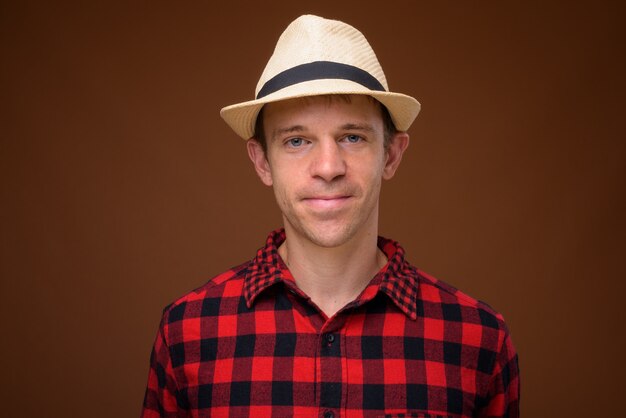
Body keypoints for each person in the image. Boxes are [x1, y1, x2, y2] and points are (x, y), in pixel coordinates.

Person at [141, 14, 520, 418]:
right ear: (262, 161)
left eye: (352, 137)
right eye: (297, 140)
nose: (328, 166)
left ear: (391, 155)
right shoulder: (189, 332)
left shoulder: (478, 340)